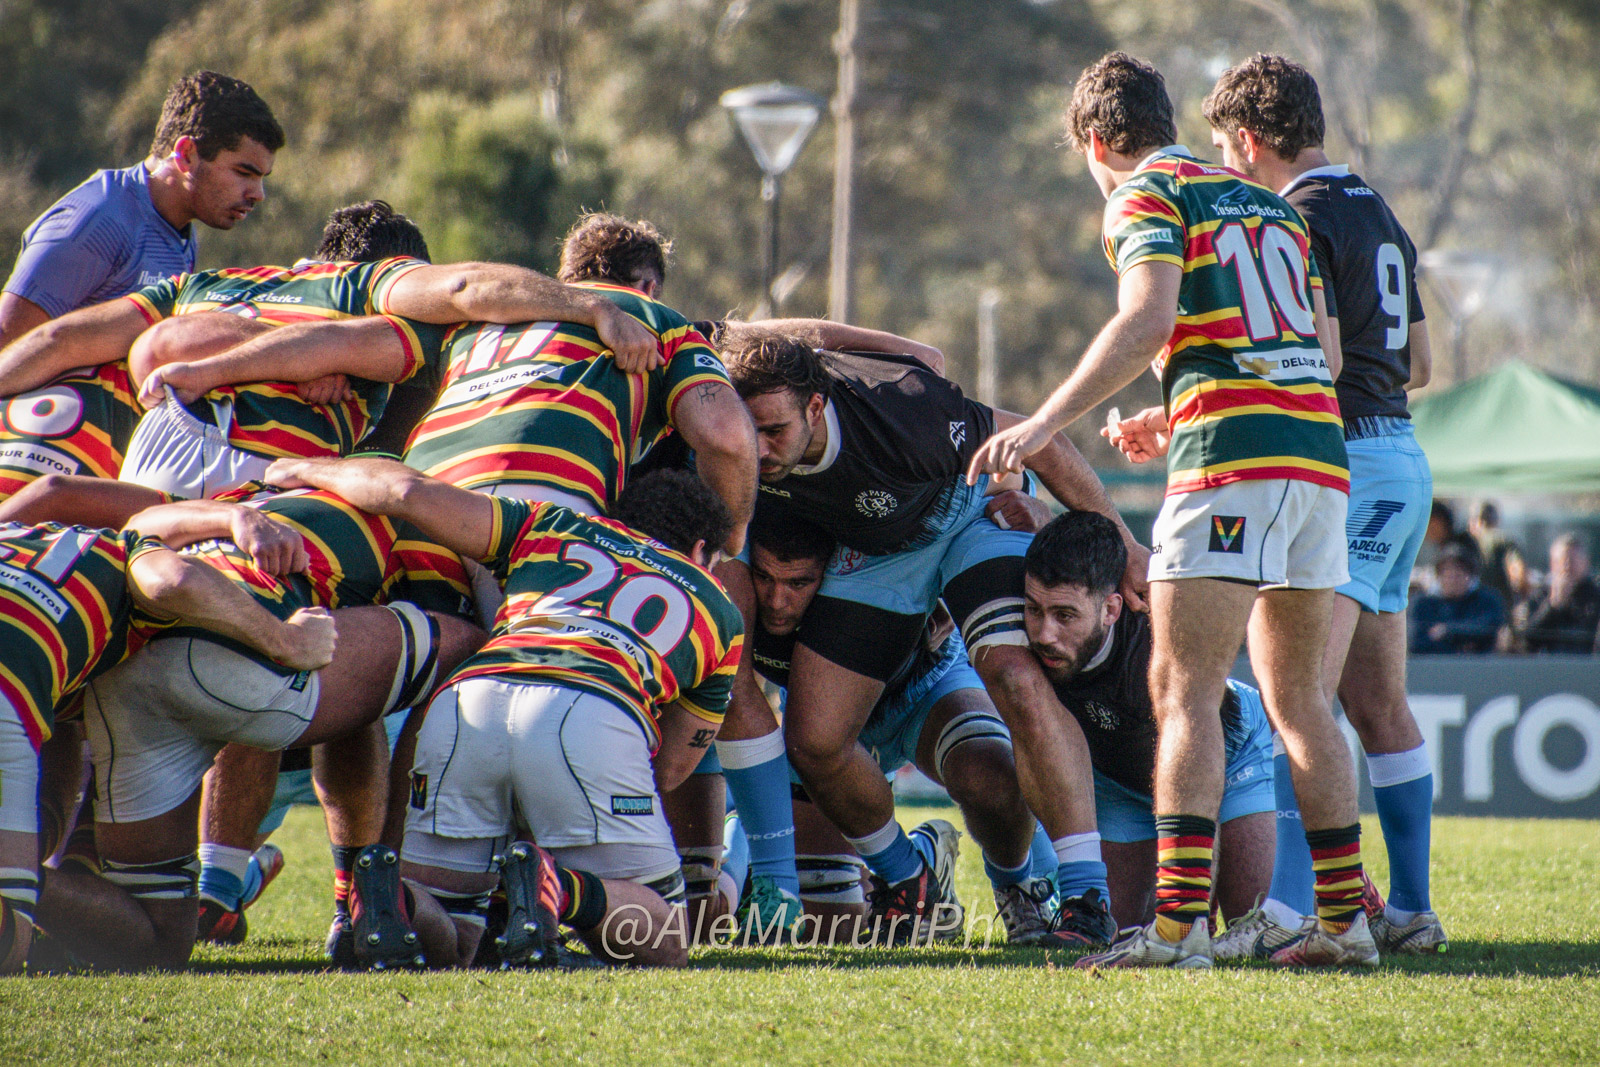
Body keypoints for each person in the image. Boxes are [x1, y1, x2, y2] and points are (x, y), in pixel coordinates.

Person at [970, 52, 1373, 969]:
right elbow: (1323, 354)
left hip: (1231, 465)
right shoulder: (1271, 203)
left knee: (1182, 688)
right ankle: (1348, 924)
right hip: (1317, 457)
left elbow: (1148, 319)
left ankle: (1177, 928)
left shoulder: (1143, 196)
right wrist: (1178, 401)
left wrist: (1041, 422)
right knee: (1303, 697)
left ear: (1098, 141)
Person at [724, 332, 1146, 948]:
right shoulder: (726, 423)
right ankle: (907, 876)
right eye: (748, 431)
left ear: (816, 408)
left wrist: (1123, 543)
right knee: (813, 740)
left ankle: (1079, 897)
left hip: (969, 517)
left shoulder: (903, 414)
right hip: (878, 558)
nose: (757, 451)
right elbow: (705, 329)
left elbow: (1038, 437)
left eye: (775, 431)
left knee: (1015, 676)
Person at [257, 458, 746, 969]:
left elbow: (405, 489)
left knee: (455, 937)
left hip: (466, 699)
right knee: (667, 939)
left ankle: (393, 895)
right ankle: (563, 889)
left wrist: (304, 467)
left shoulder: (554, 523)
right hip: (592, 706)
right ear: (700, 552)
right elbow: (671, 768)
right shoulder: (720, 606)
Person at [1200, 53, 1447, 955]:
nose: (1228, 167)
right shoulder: (1376, 208)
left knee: (1292, 691)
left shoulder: (1290, 214)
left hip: (1341, 463)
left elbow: (1324, 360)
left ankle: (1299, 912)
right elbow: (1418, 365)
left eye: (1229, 148)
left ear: (1253, 140)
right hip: (1404, 458)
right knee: (1377, 701)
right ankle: (1412, 910)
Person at [37, 486, 483, 971]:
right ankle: (382, 887)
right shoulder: (401, 508)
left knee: (157, 939)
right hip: (240, 651)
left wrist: (234, 517)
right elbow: (172, 573)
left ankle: (14, 879)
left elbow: (141, 527)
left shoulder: (229, 503)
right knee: (471, 649)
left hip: (126, 685)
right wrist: (282, 637)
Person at [0, 229, 657, 502]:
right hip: (247, 464)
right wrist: (589, 308)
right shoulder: (366, 295)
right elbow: (461, 290)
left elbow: (62, 340)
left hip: (161, 439)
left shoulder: (211, 282)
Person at [0, 502, 334, 973]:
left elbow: (55, 486)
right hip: (8, 684)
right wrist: (287, 641)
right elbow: (176, 581)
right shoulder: (120, 550)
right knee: (27, 946)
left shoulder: (15, 534)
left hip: (21, 684)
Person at [724, 515, 1062, 945]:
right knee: (833, 927)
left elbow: (969, 494)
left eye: (798, 583)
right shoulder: (737, 576)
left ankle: (1021, 887)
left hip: (923, 687)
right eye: (765, 578)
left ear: (834, 570)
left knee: (989, 776)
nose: (776, 601)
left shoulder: (882, 543)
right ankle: (919, 866)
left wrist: (1017, 486)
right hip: (816, 725)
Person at [1021, 511, 1275, 931]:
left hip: (1226, 762)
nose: (1044, 634)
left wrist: (1191, 914)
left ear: (1111, 609)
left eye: (1065, 616)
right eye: (1035, 610)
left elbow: (1197, 789)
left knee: (1249, 926)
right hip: (1120, 785)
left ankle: (1362, 894)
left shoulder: (1156, 658)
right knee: (1111, 933)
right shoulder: (1023, 622)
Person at [0, 71, 283, 348]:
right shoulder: (97, 221)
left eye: (261, 178)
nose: (258, 194)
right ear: (186, 154)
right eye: (244, 172)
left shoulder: (181, 231)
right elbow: (6, 339)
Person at [1409, 543, 1505, 653]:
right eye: (1448, 574)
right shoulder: (1424, 603)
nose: (1453, 580)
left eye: (1459, 574)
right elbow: (1418, 641)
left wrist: (1447, 631)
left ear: (1471, 575)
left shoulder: (1488, 600)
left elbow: (1488, 629)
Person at [1521, 533, 1600, 653]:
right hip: (1550, 666)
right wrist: (1552, 606)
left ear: (1585, 563)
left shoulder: (1595, 596)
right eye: (1562, 561)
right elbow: (1527, 641)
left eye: (1573, 561)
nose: (1567, 566)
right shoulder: (1539, 596)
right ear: (1552, 564)